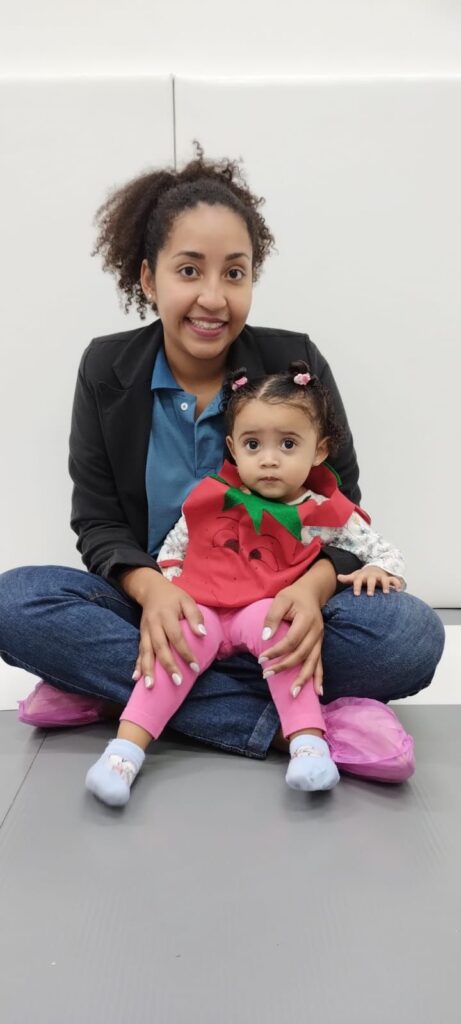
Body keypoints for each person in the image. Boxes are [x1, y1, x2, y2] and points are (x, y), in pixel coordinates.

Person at [0, 146, 444, 775]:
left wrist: (313, 590)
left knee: (412, 636)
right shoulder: (106, 369)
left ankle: (126, 695)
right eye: (189, 271)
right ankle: (294, 726)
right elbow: (98, 524)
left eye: (235, 273)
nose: (213, 297)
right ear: (148, 278)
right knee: (16, 602)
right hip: (171, 607)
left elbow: (340, 503)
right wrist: (153, 590)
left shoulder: (294, 364)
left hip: (280, 609)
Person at [86, 362, 407, 805]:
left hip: (262, 613)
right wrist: (172, 588)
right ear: (233, 448)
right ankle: (123, 754)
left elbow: (387, 556)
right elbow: (173, 549)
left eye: (288, 444)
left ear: (319, 450)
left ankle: (307, 744)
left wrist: (376, 570)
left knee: (290, 632)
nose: (269, 459)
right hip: (203, 607)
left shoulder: (325, 512)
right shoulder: (211, 496)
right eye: (253, 444)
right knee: (172, 642)